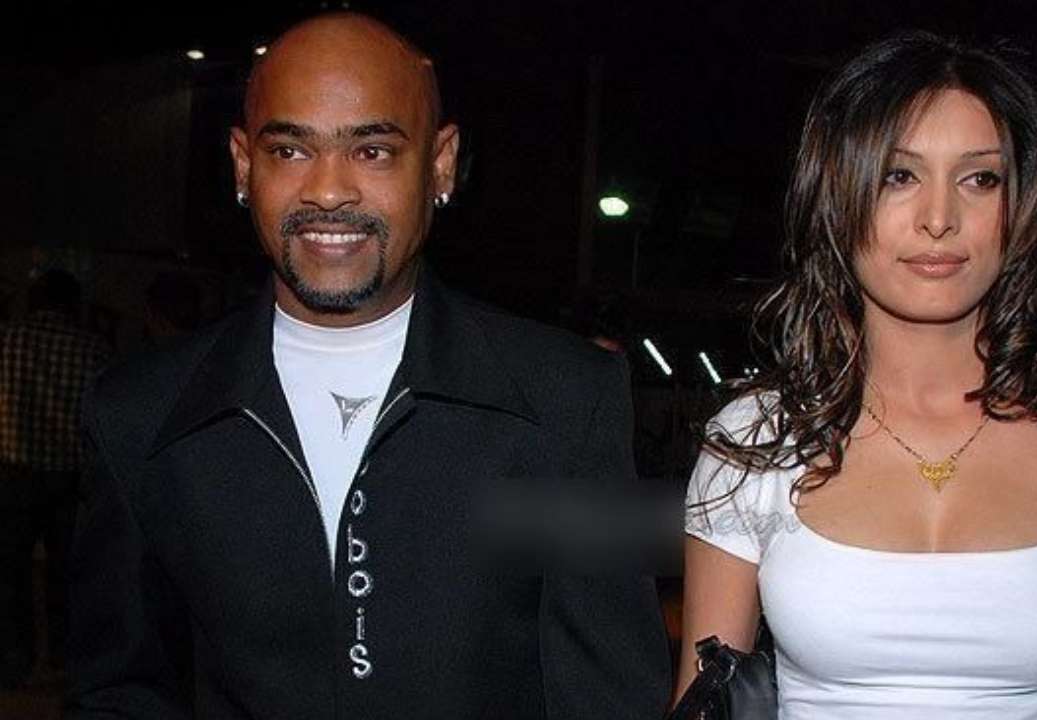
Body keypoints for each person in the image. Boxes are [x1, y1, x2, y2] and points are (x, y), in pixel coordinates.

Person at [66, 12, 670, 719]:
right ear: (243, 165)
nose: (328, 191)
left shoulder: (569, 399)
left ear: (440, 164)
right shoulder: (140, 415)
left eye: (373, 151)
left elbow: (611, 696)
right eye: (290, 150)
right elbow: (120, 693)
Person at [680, 33, 1037, 718]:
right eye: (899, 176)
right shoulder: (755, 440)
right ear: (835, 197)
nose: (940, 219)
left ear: (1023, 205)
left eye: (980, 179)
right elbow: (704, 703)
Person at [0, 270, 109, 686]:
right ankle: (65, 658)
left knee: (11, 571)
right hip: (70, 476)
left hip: (14, 471)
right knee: (66, 572)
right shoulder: (92, 348)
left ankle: (16, 660)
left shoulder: (8, 339)